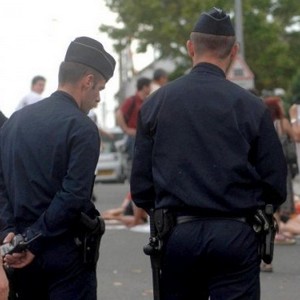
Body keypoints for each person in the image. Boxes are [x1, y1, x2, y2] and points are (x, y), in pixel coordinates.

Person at [130, 7, 287, 300]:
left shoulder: (155, 104)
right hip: (236, 233)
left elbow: (141, 187)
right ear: (234, 50)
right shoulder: (252, 107)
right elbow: (275, 182)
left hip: (178, 235)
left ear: (190, 47)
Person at [0, 36, 116, 299]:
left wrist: (10, 234)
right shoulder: (82, 127)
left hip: (18, 252)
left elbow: (2, 185)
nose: (98, 98)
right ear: (87, 80)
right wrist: (35, 239)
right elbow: (73, 196)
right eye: (99, 88)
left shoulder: (14, 122)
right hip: (64, 256)